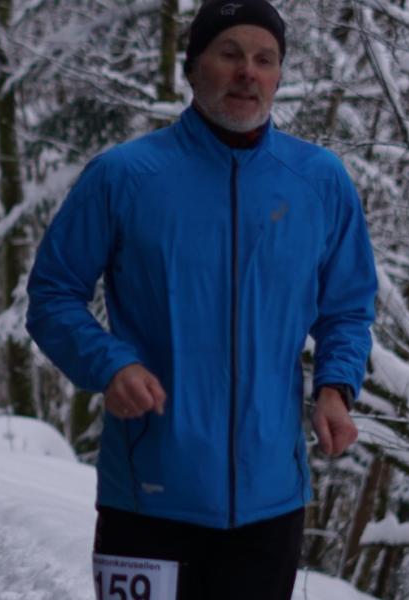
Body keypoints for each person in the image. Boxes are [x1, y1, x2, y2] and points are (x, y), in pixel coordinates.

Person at [25, 1, 376, 598]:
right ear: (192, 69)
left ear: (279, 76)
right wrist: (110, 362)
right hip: (148, 499)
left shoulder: (319, 181)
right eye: (230, 54)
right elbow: (52, 295)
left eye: (265, 60)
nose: (248, 72)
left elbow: (346, 306)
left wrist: (336, 388)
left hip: (270, 506)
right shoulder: (125, 176)